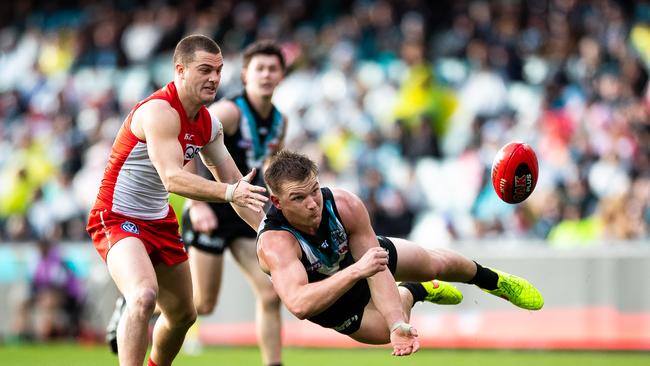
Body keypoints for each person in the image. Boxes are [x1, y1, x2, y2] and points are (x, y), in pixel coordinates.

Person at [86, 34, 267, 366]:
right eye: (204, 70)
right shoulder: (159, 112)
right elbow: (173, 177)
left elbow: (234, 181)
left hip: (159, 220)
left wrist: (267, 231)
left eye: (218, 70)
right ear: (180, 70)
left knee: (184, 315)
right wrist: (230, 193)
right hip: (116, 215)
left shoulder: (208, 124)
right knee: (143, 295)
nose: (214, 78)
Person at [256, 150, 544, 357]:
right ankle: (413, 292)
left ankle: (493, 281)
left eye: (314, 191)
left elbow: (377, 266)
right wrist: (361, 279)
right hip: (331, 301)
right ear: (277, 202)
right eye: (298, 198)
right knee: (384, 333)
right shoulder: (276, 244)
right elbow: (299, 304)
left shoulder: (344, 205)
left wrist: (397, 321)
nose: (312, 204)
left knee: (433, 262)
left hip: (360, 260)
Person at [182, 40, 287, 365]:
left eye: (273, 68)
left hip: (245, 214)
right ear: (245, 74)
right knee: (201, 304)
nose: (267, 75)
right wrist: (195, 203)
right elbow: (188, 137)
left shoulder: (280, 121)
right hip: (210, 211)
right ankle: (136, 304)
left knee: (271, 291)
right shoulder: (229, 111)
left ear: (282, 74)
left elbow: (268, 163)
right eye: (260, 68)